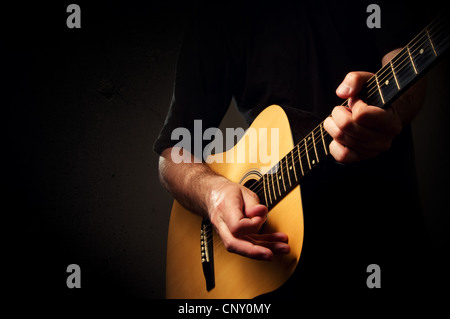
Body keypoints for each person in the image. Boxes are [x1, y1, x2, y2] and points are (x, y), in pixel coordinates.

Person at [155, 0, 439, 298]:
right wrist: (212, 195)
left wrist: (393, 107)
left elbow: (405, 59)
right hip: (275, 272)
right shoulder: (217, 16)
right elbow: (174, 150)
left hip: (386, 238)